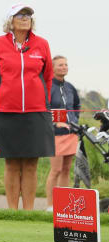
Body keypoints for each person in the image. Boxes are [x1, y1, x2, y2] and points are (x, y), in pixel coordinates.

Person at [0, 4, 54, 211]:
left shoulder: (42, 44)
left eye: (28, 15)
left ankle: (28, 212)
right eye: (20, 15)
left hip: (37, 112)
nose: (25, 18)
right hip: (6, 111)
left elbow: (48, 77)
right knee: (12, 163)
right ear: (10, 20)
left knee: (31, 164)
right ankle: (13, 211)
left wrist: (43, 101)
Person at [45, 55, 80, 210]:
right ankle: (51, 206)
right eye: (60, 65)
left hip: (71, 133)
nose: (64, 67)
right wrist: (55, 122)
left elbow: (76, 105)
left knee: (66, 170)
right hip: (55, 134)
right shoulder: (47, 86)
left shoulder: (70, 87)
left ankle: (63, 205)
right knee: (56, 170)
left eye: (66, 64)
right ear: (52, 68)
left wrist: (74, 121)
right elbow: (42, 108)